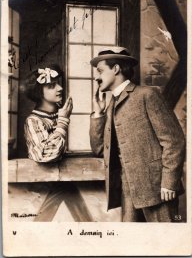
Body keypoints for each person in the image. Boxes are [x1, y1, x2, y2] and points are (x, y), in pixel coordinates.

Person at [89, 47, 185, 222]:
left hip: (158, 190)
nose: (97, 77)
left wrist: (168, 183)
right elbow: (99, 149)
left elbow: (174, 141)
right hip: (128, 192)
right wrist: (98, 114)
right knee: (132, 244)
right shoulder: (110, 105)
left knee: (166, 243)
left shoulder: (147, 95)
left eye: (100, 71)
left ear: (116, 69)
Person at [24, 64, 73, 163]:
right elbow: (45, 154)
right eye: (51, 86)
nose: (60, 88)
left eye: (58, 84)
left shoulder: (65, 111)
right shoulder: (33, 121)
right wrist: (62, 122)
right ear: (39, 92)